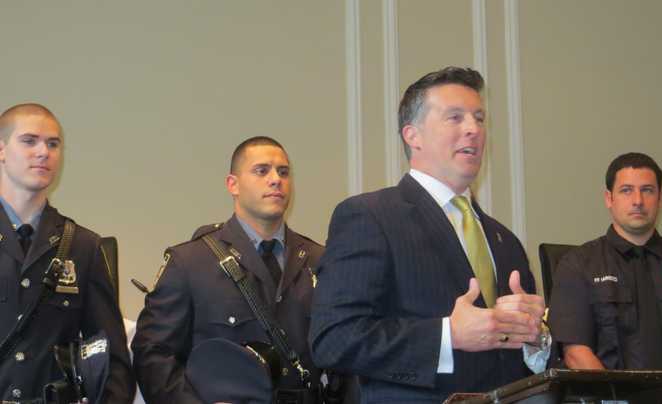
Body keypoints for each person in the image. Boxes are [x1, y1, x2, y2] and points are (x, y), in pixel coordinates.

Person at [309, 67, 547, 403]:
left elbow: (522, 366)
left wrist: (535, 340)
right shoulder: (370, 216)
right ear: (412, 135)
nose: (473, 129)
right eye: (455, 117)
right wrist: (447, 335)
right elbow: (334, 339)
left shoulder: (505, 240)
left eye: (479, 118)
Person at [132, 136, 349, 403]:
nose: (275, 179)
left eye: (283, 172)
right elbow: (152, 353)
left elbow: (346, 355)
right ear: (232, 184)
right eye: (262, 170)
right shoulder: (190, 262)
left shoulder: (319, 260)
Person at [0, 103, 134, 402]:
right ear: (1, 150)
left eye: (53, 143)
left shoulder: (83, 246)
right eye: (29, 141)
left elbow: (112, 358)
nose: (43, 152)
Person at [548, 152, 662, 371]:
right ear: (609, 199)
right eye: (626, 190)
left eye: (647, 190)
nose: (638, 201)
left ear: (660, 198)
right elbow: (575, 353)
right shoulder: (577, 265)